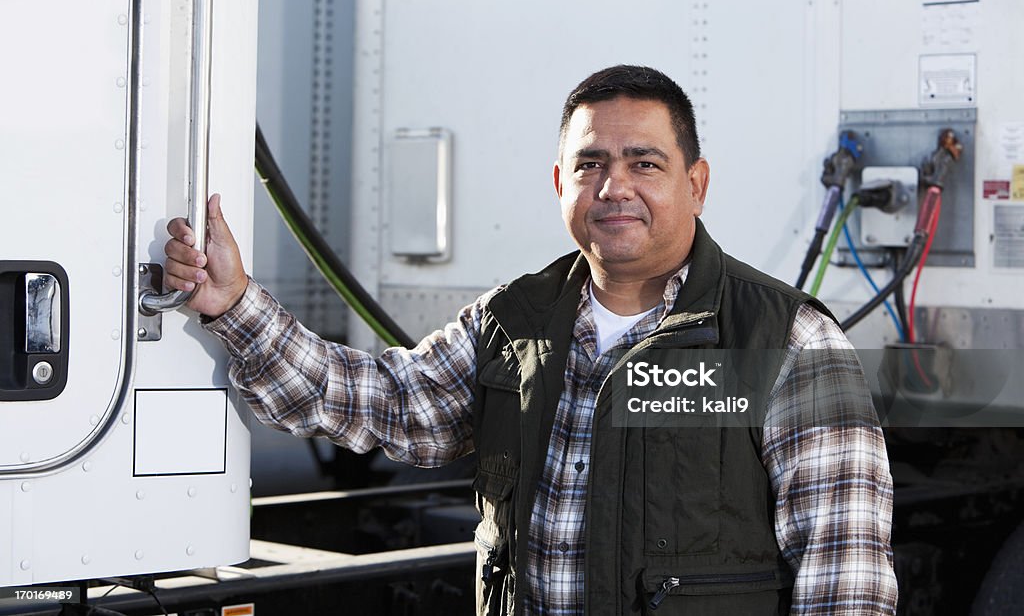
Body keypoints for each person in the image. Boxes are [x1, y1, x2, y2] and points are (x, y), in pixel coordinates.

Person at [164, 65, 898, 615]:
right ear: (559, 183)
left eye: (644, 162)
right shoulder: (514, 321)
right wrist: (236, 304)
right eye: (590, 165)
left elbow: (846, 579)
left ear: (696, 183)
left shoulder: (785, 341)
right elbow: (383, 402)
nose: (614, 187)